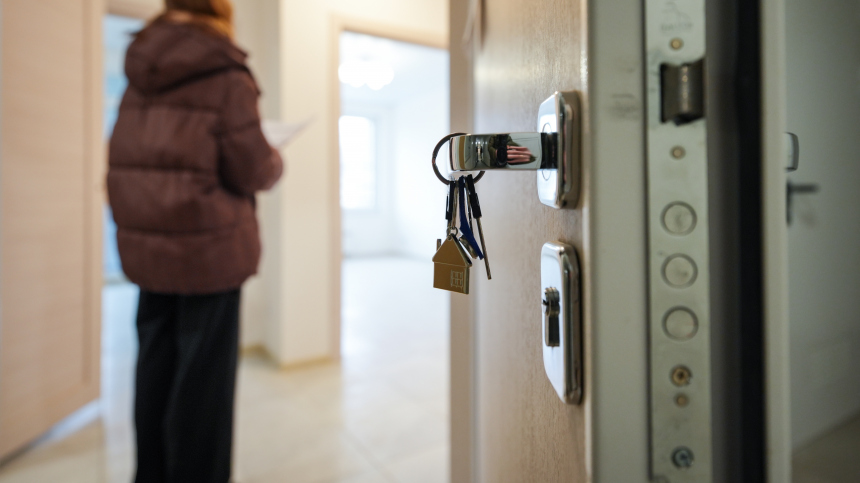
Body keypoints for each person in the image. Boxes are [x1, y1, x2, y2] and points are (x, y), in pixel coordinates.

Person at [106, 0, 283, 481]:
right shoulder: (226, 72)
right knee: (203, 390)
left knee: (154, 372)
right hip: (209, 255)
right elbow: (253, 170)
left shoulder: (140, 70)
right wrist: (276, 158)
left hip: (150, 253)